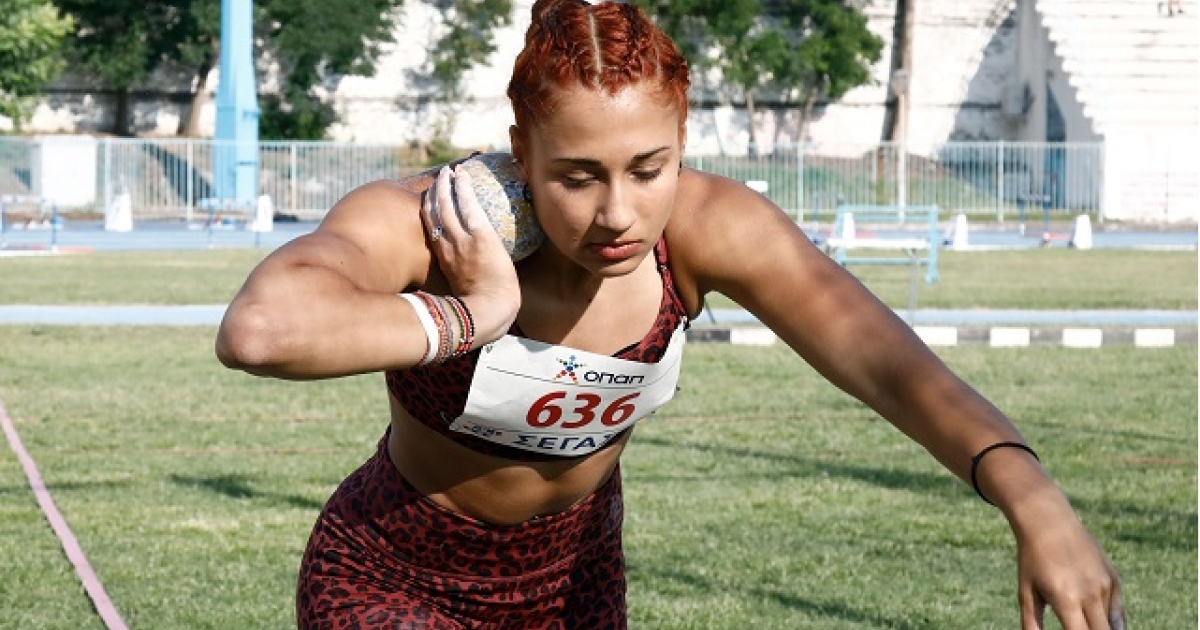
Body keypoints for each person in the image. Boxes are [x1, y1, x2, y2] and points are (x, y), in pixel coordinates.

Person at [216, 1, 1125, 628]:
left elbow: (888, 365)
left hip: (577, 581)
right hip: (392, 579)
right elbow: (261, 330)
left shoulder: (702, 228)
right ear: (521, 150)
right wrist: (477, 310)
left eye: (648, 169)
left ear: (682, 138)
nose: (617, 214)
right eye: (577, 177)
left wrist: (1033, 498)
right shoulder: (436, 222)